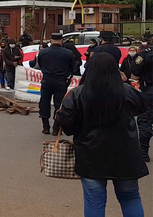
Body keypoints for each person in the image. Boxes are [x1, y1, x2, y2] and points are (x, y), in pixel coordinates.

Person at [57, 53, 148, 216]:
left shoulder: (77, 94)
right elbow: (142, 107)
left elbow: (65, 123)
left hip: (90, 156)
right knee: (130, 198)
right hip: (126, 155)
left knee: (94, 201)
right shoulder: (127, 91)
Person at [36, 32, 75, 135]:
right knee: (59, 104)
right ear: (61, 40)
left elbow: (40, 65)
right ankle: (56, 128)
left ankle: (45, 127)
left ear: (51, 40)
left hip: (47, 80)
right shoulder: (68, 53)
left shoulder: (43, 52)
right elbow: (72, 67)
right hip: (61, 81)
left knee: (44, 102)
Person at [133, 37, 153, 162]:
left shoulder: (144, 55)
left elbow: (135, 71)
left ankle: (143, 152)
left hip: (149, 90)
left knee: (145, 120)